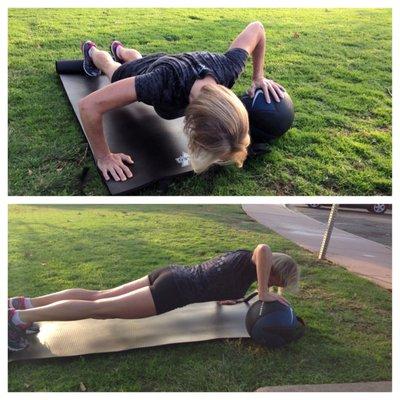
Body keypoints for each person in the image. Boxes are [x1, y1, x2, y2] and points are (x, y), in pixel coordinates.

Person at [77, 21, 285, 181]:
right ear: (191, 124)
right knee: (112, 70)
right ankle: (92, 50)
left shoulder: (227, 69)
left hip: (166, 63)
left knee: (141, 61)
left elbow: (257, 28)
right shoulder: (162, 84)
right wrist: (103, 156)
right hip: (161, 69)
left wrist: (258, 77)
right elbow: (88, 106)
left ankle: (121, 50)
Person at [8, 244, 299, 352]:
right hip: (172, 290)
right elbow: (264, 249)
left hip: (171, 274)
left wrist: (232, 297)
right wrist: (264, 294)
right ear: (275, 273)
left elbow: (219, 280)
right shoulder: (256, 258)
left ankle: (26, 303)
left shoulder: (241, 264)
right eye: (279, 282)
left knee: (99, 297)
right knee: (99, 308)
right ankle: (18, 318)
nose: (277, 287)